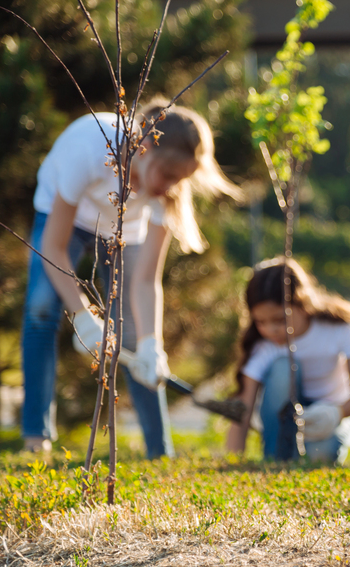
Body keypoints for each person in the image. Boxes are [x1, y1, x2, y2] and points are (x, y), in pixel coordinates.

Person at [22, 98, 243, 457]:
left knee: (133, 336)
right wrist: (81, 313)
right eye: (169, 176)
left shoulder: (165, 192)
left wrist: (153, 344)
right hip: (65, 217)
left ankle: (159, 450)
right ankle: (36, 438)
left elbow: (145, 281)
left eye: (181, 180)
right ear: (143, 149)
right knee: (42, 309)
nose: (173, 187)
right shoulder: (89, 151)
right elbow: (53, 248)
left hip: (119, 228)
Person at [225, 257, 350, 463]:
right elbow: (242, 411)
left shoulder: (341, 327)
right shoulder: (262, 345)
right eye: (261, 322)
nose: (271, 330)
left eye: (279, 320)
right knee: (283, 367)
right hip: (282, 420)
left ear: (303, 302)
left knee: (319, 455)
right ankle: (276, 458)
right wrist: (233, 461)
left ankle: (302, 453)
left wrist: (335, 413)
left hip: (332, 412)